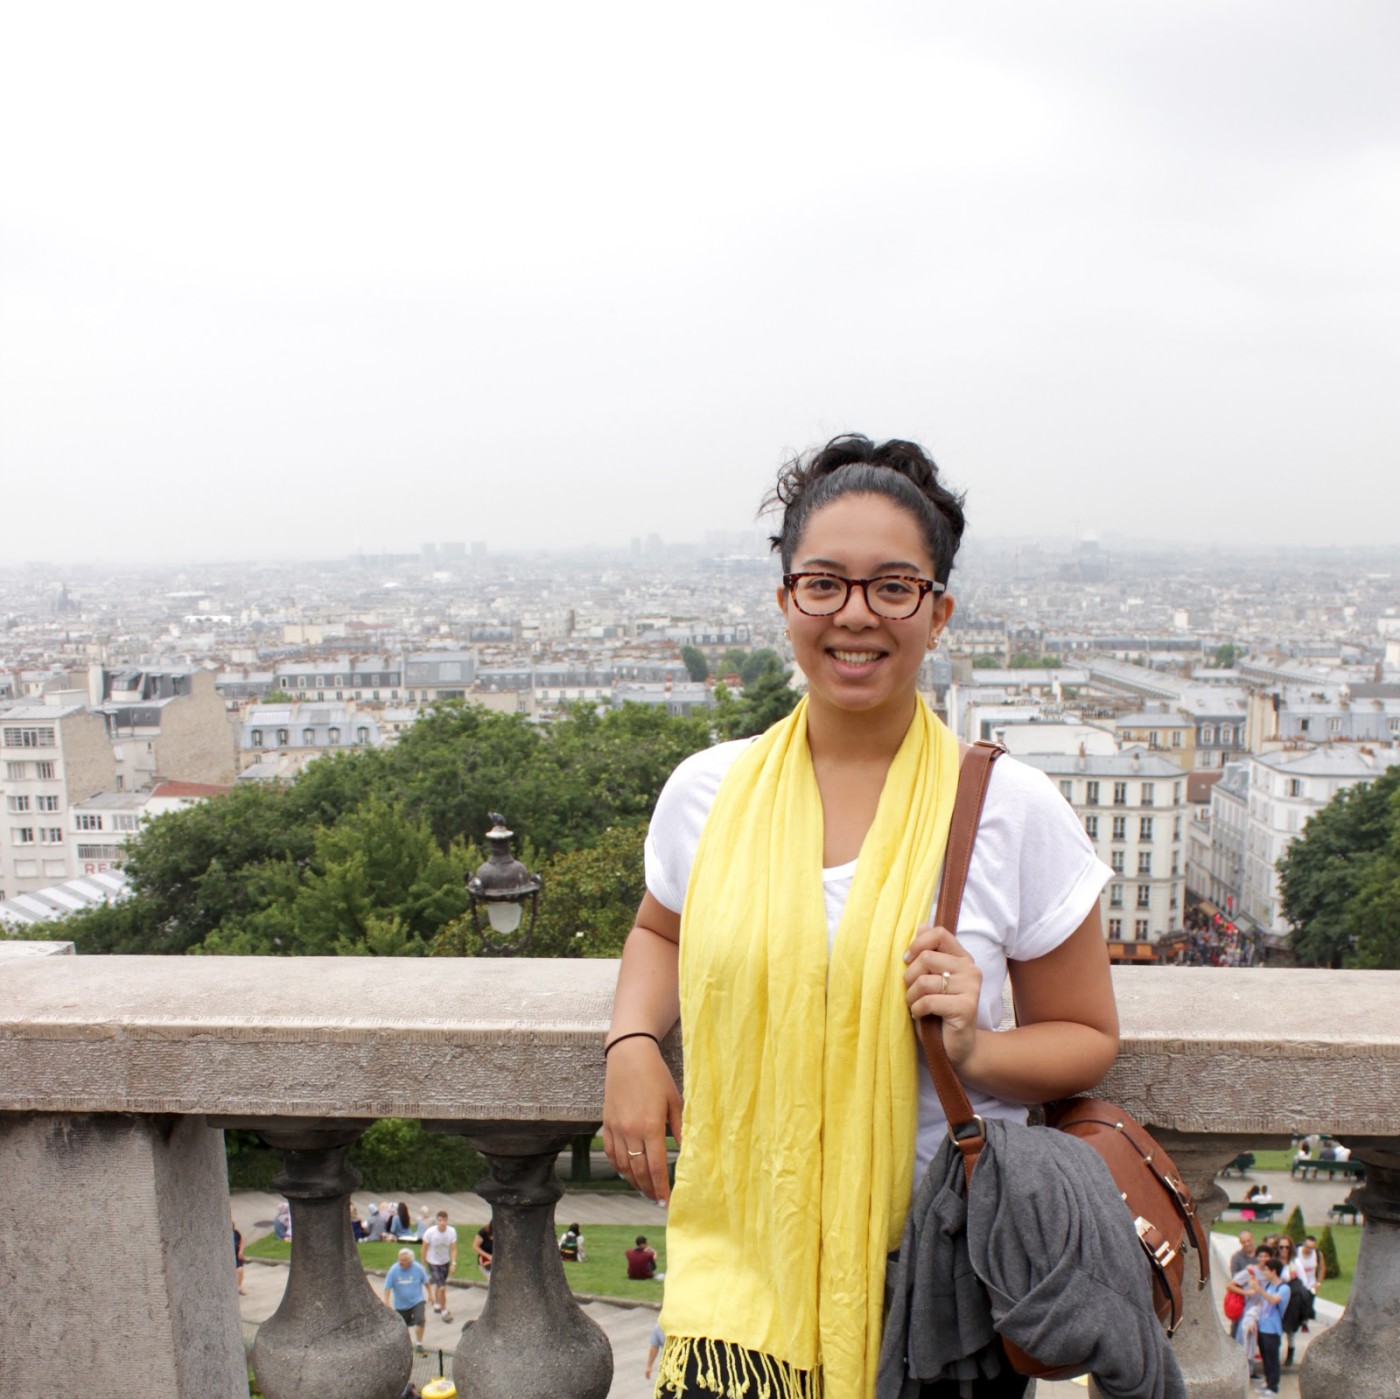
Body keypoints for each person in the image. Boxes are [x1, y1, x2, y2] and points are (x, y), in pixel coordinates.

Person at [602, 434, 1120, 1399]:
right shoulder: (705, 791)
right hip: (743, 1283)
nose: (856, 614)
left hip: (937, 1284)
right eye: (825, 584)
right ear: (786, 601)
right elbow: (661, 929)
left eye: (893, 586)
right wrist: (633, 1039)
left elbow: (1088, 1036)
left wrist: (976, 1046)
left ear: (938, 613)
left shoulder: (1010, 809)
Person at [1249, 1256, 1289, 1396]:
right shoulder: (1268, 1285)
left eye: (1267, 1270)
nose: (1264, 1272)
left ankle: (1273, 1387)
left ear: (1274, 1271)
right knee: (1265, 1357)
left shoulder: (1283, 1288)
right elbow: (1262, 1304)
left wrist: (1258, 1289)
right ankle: (1268, 1382)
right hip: (1263, 1327)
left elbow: (1273, 1300)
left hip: (1273, 1329)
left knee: (1273, 1359)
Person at [382, 1246, 431, 1354]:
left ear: (410, 1261)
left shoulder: (418, 1268)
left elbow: (426, 1282)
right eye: (399, 1259)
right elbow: (387, 1287)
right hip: (401, 1305)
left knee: (420, 1319)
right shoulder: (394, 1270)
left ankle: (419, 1343)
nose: (401, 1262)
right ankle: (405, 1345)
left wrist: (431, 1295)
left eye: (404, 1260)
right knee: (402, 1326)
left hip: (417, 1300)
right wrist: (386, 1301)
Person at [421, 1210, 458, 1322]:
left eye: (444, 1220)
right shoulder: (430, 1232)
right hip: (433, 1262)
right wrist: (423, 1265)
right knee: (442, 1288)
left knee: (439, 1284)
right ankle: (444, 1311)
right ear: (436, 1221)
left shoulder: (451, 1232)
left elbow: (453, 1248)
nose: (442, 1223)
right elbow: (424, 1249)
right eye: (440, 1220)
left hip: (445, 1262)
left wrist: (453, 1263)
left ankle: (437, 1304)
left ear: (447, 1221)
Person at [233, 1218, 246, 1297]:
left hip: (236, 1255)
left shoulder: (236, 1233)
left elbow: (241, 1241)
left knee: (240, 1270)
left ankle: (239, 1286)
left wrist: (240, 1251)